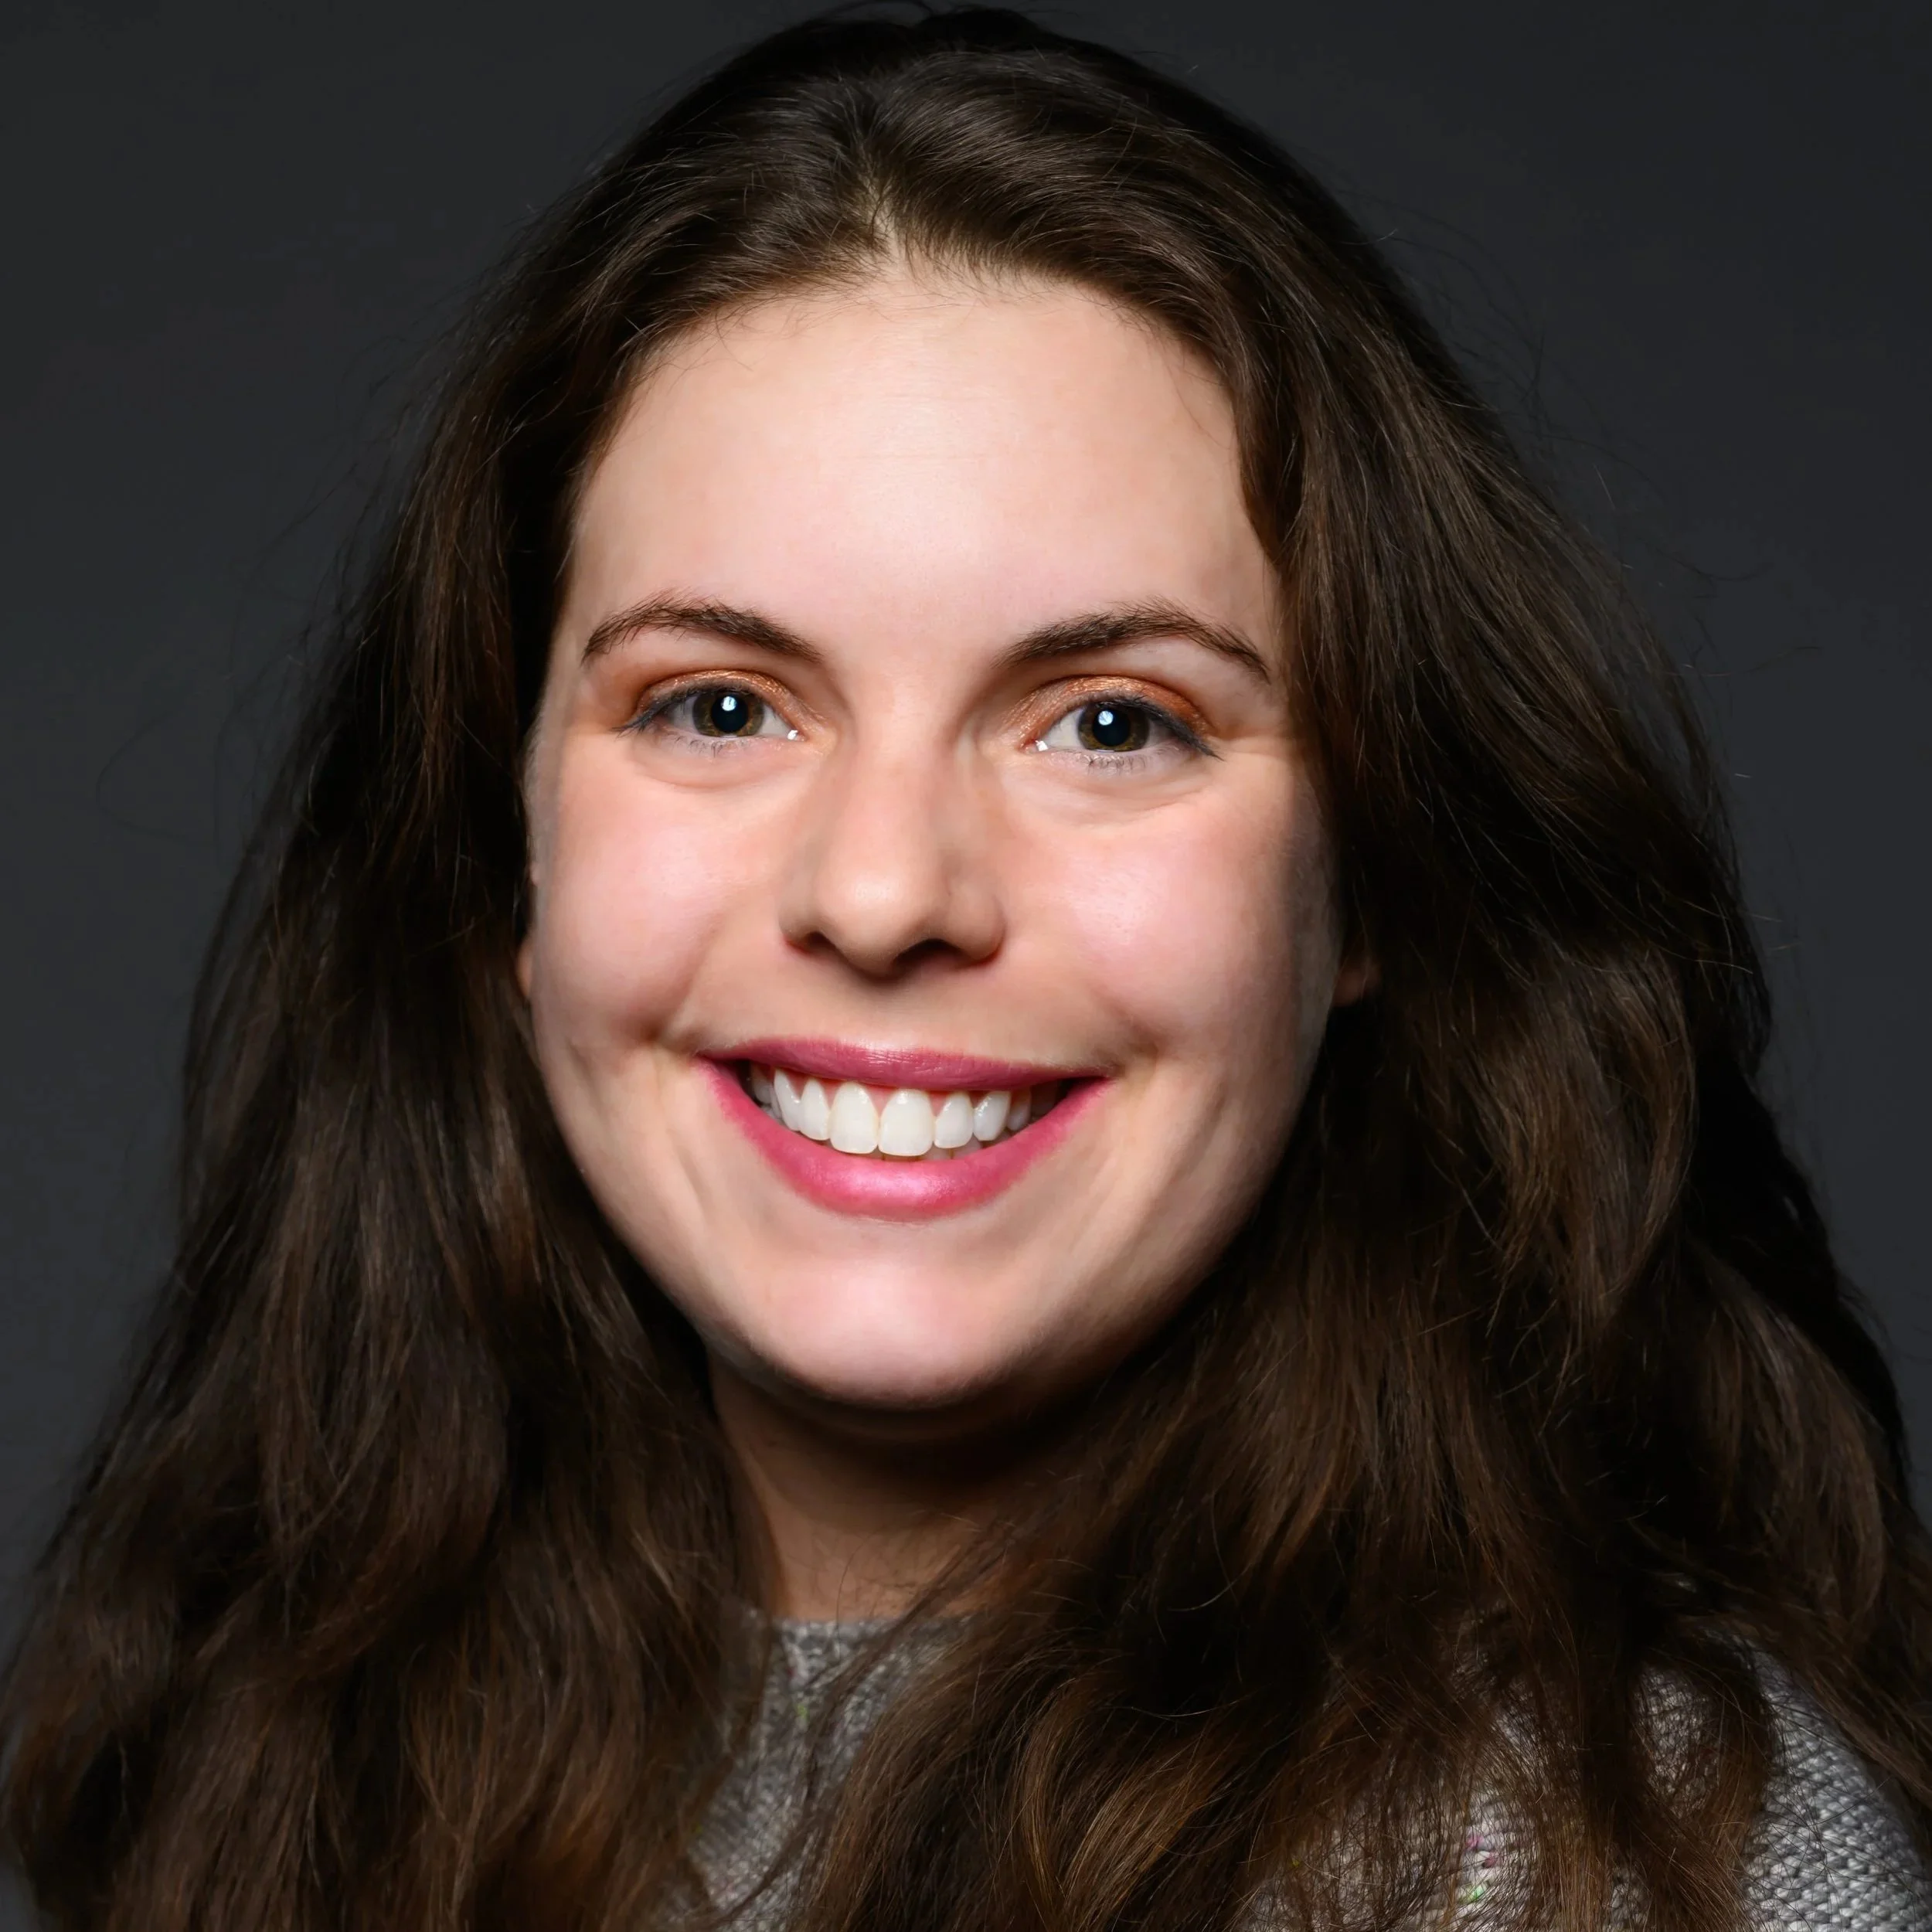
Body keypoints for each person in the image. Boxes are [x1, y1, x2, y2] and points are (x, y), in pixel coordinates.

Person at [3, 9, 1927, 1930]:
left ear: (1368, 885)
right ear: (505, 845)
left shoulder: (1625, 1856)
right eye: (720, 702)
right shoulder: (263, 1759)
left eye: (1108, 723)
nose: (880, 888)